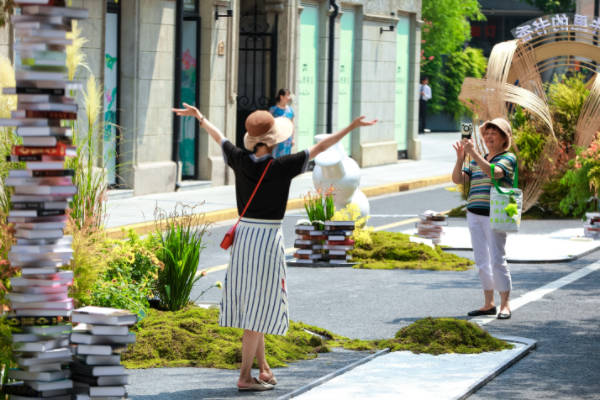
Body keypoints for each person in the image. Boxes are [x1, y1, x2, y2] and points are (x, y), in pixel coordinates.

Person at [172, 103, 376, 392]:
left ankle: (264, 368)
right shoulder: (282, 166)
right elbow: (322, 148)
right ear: (274, 141)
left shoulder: (239, 160)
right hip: (267, 240)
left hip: (244, 238)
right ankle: (245, 376)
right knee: (259, 309)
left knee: (257, 305)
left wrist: (200, 117)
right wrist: (352, 127)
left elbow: (218, 137)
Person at [451, 117, 517, 320]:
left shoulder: (507, 157)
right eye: (487, 133)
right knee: (481, 261)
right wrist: (461, 157)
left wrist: (474, 153)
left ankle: (505, 304)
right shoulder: (478, 157)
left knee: (497, 258)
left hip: (495, 214)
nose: (489, 136)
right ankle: (489, 303)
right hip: (474, 213)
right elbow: (458, 179)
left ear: (504, 138)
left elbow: (494, 173)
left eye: (494, 133)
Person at [269, 88, 295, 157]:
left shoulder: (290, 110)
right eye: (287, 95)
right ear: (281, 97)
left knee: (286, 159)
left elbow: (292, 125)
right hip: (277, 139)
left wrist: (293, 139)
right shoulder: (273, 110)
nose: (289, 98)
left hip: (287, 139)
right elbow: (269, 124)